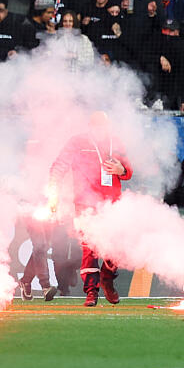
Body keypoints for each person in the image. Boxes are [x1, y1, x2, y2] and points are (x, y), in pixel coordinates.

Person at [47, 111, 132, 307]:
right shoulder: (77, 142)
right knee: (89, 249)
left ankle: (107, 279)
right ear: (90, 126)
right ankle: (91, 291)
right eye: (96, 125)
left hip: (112, 203)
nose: (101, 129)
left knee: (115, 245)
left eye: (104, 125)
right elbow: (59, 166)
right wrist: (53, 191)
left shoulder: (116, 142)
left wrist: (122, 170)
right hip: (85, 204)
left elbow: (128, 170)